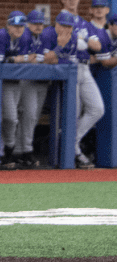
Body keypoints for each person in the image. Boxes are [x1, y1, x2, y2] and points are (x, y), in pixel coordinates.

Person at [42, 9, 102, 168]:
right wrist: (60, 47)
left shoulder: (74, 36)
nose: (66, 29)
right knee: (73, 114)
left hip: (80, 71)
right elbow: (46, 61)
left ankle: (73, 142)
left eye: (69, 26)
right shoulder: (48, 34)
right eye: (63, 25)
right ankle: (73, 151)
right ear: (56, 24)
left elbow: (94, 48)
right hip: (59, 80)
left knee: (98, 109)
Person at [0, 11, 32, 168]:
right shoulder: (0, 36)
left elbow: (28, 60)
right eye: (15, 26)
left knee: (10, 118)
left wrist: (15, 59)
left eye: (21, 26)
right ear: (8, 25)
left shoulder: (25, 37)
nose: (19, 29)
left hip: (15, 82)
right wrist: (16, 60)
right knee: (6, 118)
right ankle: (3, 151)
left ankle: (5, 151)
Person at [16, 9, 49, 167]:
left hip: (40, 82)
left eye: (40, 23)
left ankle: (21, 149)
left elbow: (47, 59)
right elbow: (28, 60)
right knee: (27, 116)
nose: (38, 26)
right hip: (26, 81)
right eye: (35, 23)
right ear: (28, 24)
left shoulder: (44, 37)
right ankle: (23, 150)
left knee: (32, 117)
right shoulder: (24, 36)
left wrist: (40, 59)